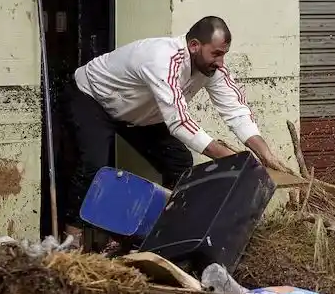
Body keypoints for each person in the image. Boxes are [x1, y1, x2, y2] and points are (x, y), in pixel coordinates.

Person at [63, 15, 291, 247]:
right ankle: (71, 243)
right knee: (93, 166)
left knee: (179, 163)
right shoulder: (162, 58)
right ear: (194, 46)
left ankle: (168, 234)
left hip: (139, 111)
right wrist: (236, 160)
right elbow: (179, 122)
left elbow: (236, 110)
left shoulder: (212, 68)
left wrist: (265, 153)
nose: (221, 62)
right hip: (93, 98)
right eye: (216, 54)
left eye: (224, 54)